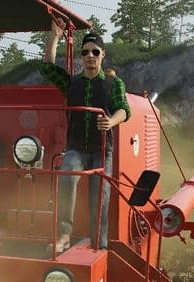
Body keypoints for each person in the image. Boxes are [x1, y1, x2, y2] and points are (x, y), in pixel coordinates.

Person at [41, 21, 131, 251]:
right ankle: (63, 236)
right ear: (81, 56)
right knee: (67, 176)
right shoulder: (71, 82)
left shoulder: (114, 83)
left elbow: (124, 110)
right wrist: (55, 37)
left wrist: (110, 121)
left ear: (103, 54)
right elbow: (47, 68)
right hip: (76, 148)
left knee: (100, 197)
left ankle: (99, 244)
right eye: (85, 52)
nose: (90, 56)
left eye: (95, 52)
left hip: (102, 151)